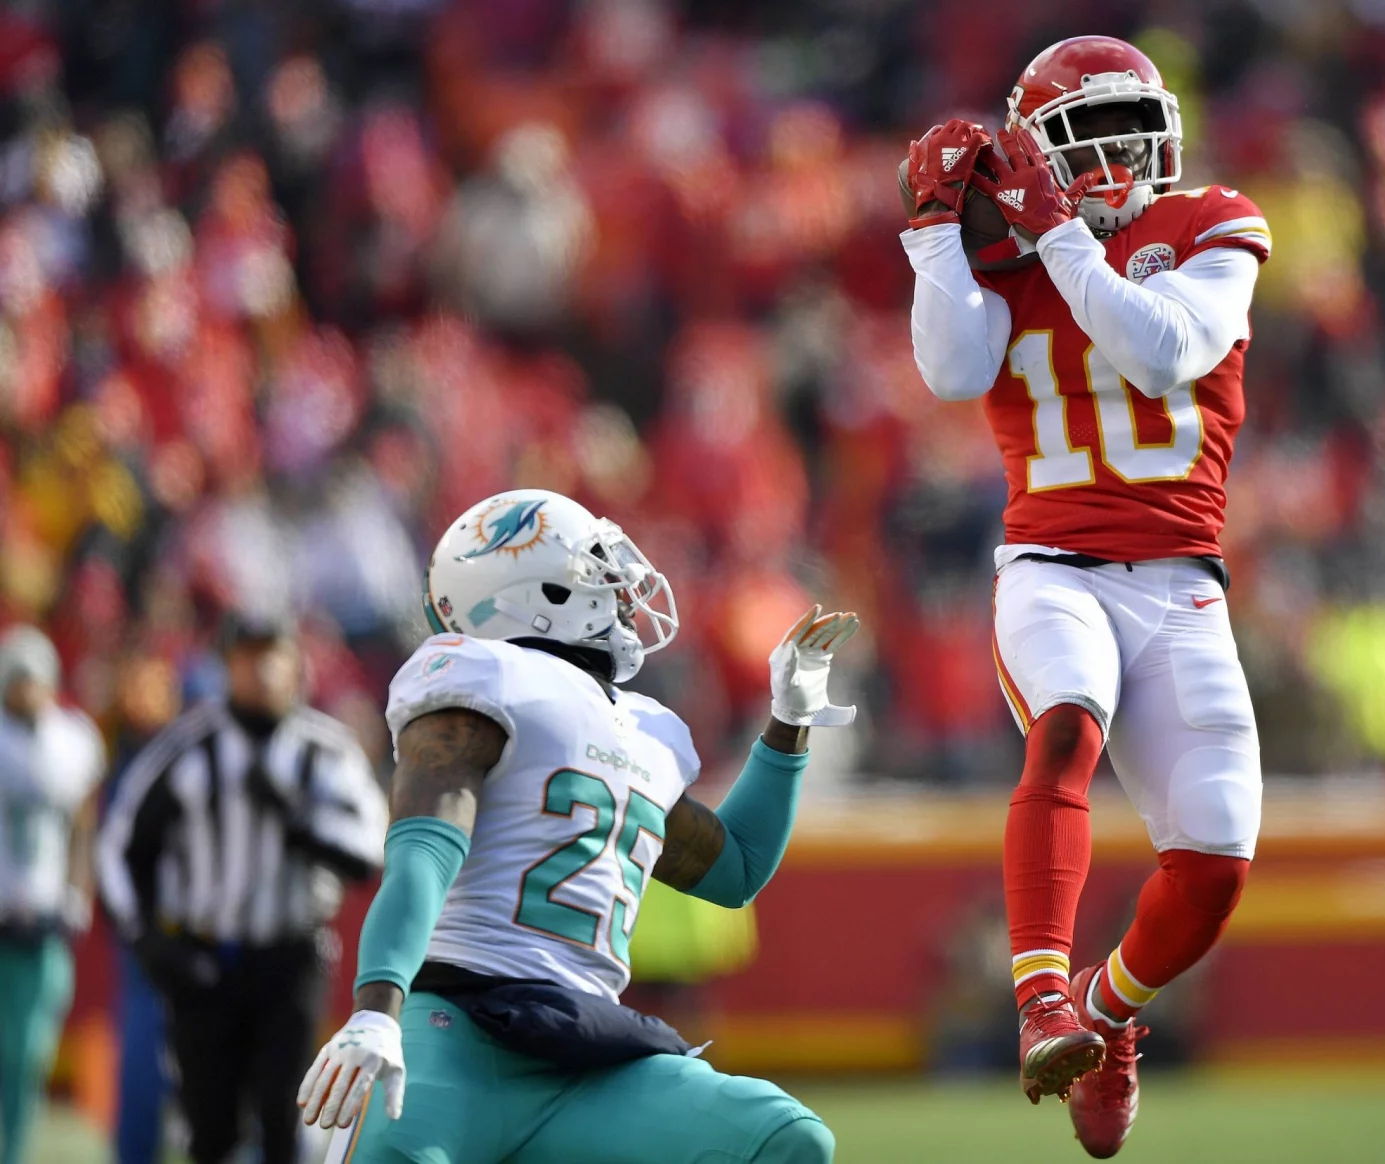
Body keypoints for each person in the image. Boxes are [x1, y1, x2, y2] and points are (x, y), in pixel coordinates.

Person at [899, 34, 1270, 1156]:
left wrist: (1052, 231)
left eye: (1127, 133)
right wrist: (932, 236)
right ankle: (1041, 1001)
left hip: (1183, 580)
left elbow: (1167, 351)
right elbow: (955, 373)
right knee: (1064, 724)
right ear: (1040, 149)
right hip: (1053, 564)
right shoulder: (1001, 241)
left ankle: (1106, 1018)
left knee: (1213, 869)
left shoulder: (1213, 223)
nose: (1111, 161)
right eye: (1085, 139)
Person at [297, 488, 849, 1164]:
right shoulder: (486, 675)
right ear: (535, 590)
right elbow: (425, 849)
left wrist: (789, 720)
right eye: (598, 566)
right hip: (455, 1031)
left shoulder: (642, 728)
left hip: (584, 1047)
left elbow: (735, 868)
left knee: (786, 1139)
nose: (623, 588)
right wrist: (376, 1008)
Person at [95, 612, 389, 1164]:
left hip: (290, 955)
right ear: (227, 665)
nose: (262, 672)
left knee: (285, 1113)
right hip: (208, 956)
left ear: (294, 663)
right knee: (208, 1124)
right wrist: (146, 937)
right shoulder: (186, 746)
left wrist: (297, 822)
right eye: (248, 657)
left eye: (272, 655)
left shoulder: (325, 750)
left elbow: (367, 852)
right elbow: (119, 846)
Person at [0, 626, 105, 1164]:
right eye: (16, 677)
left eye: (32, 678)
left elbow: (83, 821)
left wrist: (78, 889)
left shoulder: (72, 739)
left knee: (29, 1052)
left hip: (42, 919)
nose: (24, 689)